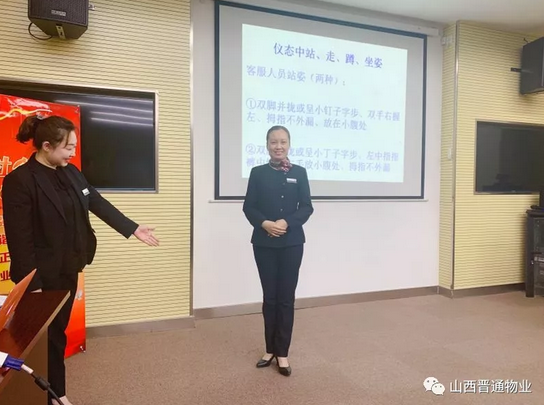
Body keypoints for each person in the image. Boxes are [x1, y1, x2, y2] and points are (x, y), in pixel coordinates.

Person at [1, 115, 159, 405]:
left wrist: (133, 228)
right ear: (46, 146)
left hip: (70, 268)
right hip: (41, 276)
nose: (73, 153)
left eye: (74, 146)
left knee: (57, 333)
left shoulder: (71, 172)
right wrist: (34, 286)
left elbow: (96, 202)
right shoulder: (20, 181)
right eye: (68, 147)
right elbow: (19, 240)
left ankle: (55, 392)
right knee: (40, 339)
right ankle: (43, 395)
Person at [242, 125, 313, 377]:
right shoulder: (258, 173)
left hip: (292, 243)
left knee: (285, 298)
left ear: (289, 144)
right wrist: (264, 223)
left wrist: (286, 222)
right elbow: (249, 207)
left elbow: (306, 207)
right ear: (267, 145)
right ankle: (269, 349)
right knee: (269, 298)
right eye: (274, 142)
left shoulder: (299, 172)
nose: (278, 146)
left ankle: (282, 352)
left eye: (283, 142)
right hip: (264, 243)